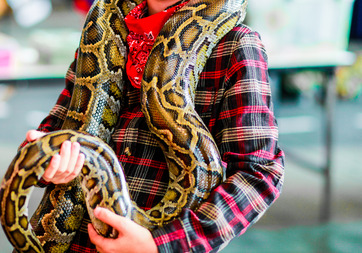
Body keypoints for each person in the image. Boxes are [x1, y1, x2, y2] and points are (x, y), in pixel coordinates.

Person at [21, 0, 285, 252]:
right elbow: (63, 119)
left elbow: (259, 173)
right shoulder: (103, 29)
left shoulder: (236, 46)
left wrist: (163, 244)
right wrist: (47, 160)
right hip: (76, 241)